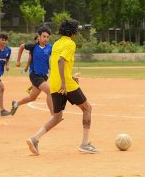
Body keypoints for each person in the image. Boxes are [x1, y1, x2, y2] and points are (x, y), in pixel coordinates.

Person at [26, 20, 99, 155]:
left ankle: (34, 138)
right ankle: (84, 144)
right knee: (87, 108)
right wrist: (65, 82)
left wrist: (68, 77)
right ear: (73, 32)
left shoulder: (56, 44)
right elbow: (61, 61)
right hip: (65, 85)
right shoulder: (70, 43)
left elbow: (55, 63)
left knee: (57, 116)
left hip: (54, 83)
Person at [11, 26, 53, 116]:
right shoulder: (33, 46)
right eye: (44, 36)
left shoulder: (50, 47)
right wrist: (18, 60)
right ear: (39, 36)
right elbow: (22, 46)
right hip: (35, 75)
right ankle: (54, 116)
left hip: (44, 76)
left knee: (32, 97)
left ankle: (16, 104)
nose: (46, 38)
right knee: (50, 91)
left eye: (47, 37)